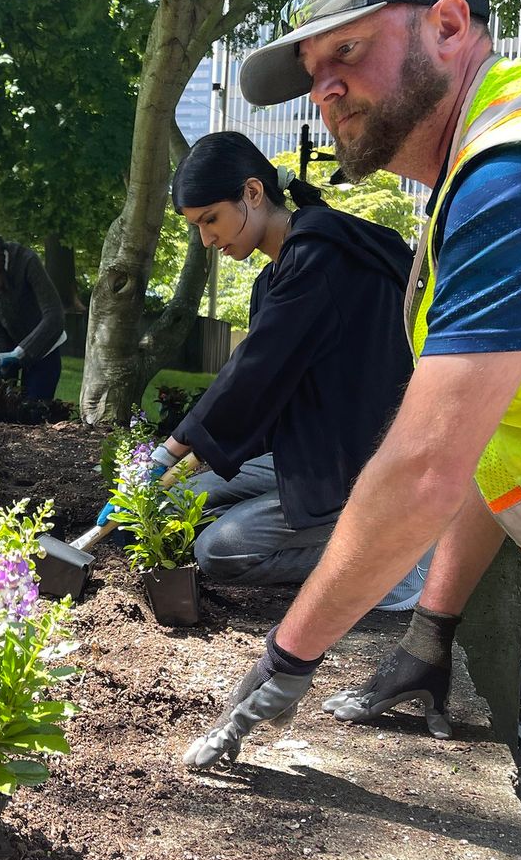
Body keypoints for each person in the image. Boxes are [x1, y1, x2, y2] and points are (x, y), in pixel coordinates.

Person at [183, 0, 521, 770]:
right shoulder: (479, 173)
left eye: (348, 49)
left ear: (450, 26)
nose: (326, 90)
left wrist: (289, 654)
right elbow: (493, 445)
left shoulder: (520, 170)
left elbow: (423, 470)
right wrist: (432, 632)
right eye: (313, 72)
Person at [95, 132, 418, 596]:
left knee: (219, 549)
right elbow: (271, 395)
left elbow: (252, 372)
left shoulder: (320, 257)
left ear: (252, 192)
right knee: (169, 506)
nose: (207, 239)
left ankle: (402, 557)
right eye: (197, 227)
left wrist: (167, 453)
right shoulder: (274, 278)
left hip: (362, 462)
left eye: (211, 220)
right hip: (312, 452)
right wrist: (186, 468)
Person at [0, 223, 66, 400]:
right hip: (4, 347)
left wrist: (19, 353)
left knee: (33, 412)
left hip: (43, 346)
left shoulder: (25, 260)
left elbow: (54, 317)